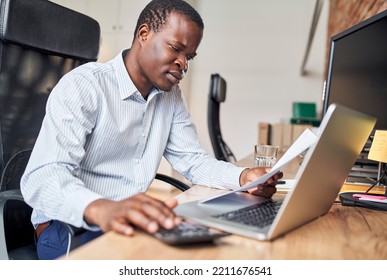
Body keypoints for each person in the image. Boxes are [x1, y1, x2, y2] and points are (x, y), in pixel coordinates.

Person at [21, 0, 282, 260]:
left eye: (189, 56)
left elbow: (193, 161)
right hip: (67, 229)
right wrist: (102, 209)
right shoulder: (85, 86)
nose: (184, 64)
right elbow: (42, 178)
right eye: (176, 48)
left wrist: (244, 177)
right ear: (144, 35)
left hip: (125, 224)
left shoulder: (171, 97)